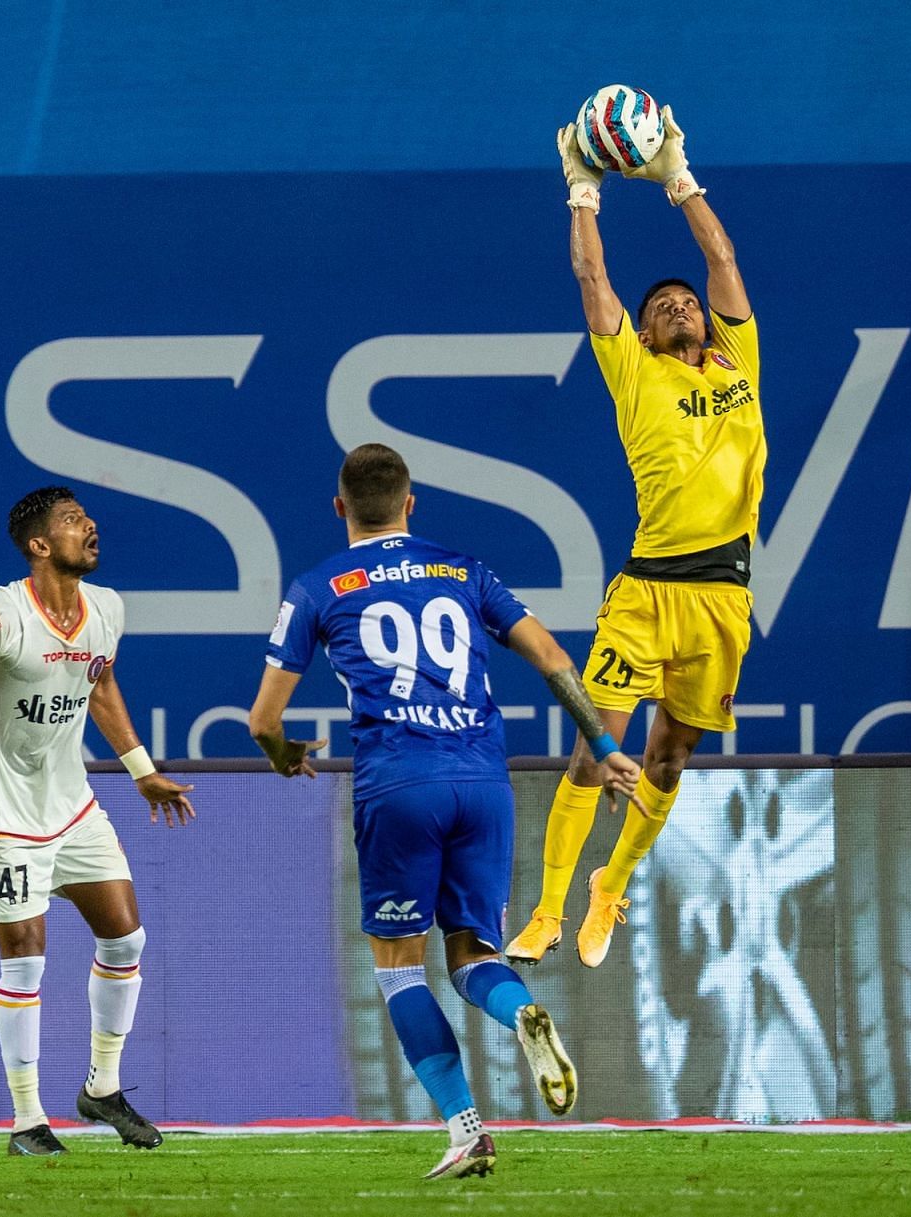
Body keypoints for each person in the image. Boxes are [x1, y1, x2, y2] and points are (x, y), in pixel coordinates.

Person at [249, 443, 641, 1180]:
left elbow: (263, 718)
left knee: (400, 971)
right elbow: (553, 654)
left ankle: (466, 1128)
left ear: (341, 508)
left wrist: (284, 753)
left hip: (399, 786)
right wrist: (603, 740)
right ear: (411, 502)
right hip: (484, 784)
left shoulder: (315, 587)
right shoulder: (463, 569)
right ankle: (520, 1009)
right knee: (473, 957)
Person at [506, 106, 763, 969]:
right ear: (646, 333)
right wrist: (584, 189)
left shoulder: (738, 361)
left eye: (687, 301)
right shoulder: (632, 368)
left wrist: (679, 177)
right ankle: (544, 909)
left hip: (723, 597)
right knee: (597, 749)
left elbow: (720, 257)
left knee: (672, 752)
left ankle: (608, 888)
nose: (682, 306)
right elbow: (592, 280)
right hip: (648, 590)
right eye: (664, 306)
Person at [0, 487, 197, 1156]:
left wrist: (141, 769)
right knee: (25, 961)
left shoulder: (106, 609)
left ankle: (102, 1087)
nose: (90, 527)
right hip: (2, 817)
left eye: (87, 518)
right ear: (40, 544)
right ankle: (26, 1120)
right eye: (73, 521)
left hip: (73, 809)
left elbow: (100, 685)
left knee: (126, 939)